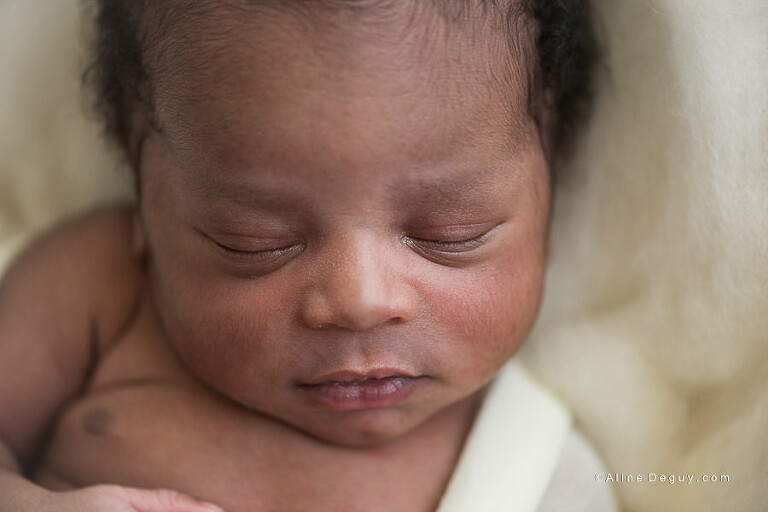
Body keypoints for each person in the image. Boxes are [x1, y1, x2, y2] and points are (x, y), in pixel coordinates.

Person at [0, 0, 613, 510]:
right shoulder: (104, 287)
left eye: (451, 233)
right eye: (254, 241)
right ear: (142, 192)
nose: (361, 301)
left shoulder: (549, 472)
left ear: (549, 194)